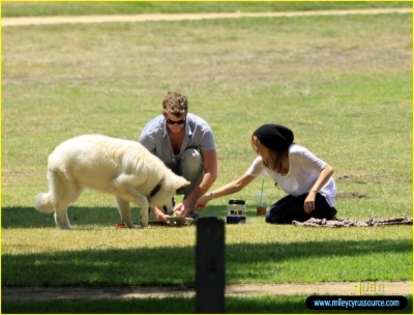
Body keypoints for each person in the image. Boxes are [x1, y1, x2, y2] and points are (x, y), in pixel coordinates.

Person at [196, 124, 337, 224]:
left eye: (260, 147)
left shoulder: (295, 153)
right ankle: (313, 215)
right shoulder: (263, 161)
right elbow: (239, 184)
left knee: (277, 216)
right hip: (301, 196)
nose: (257, 150)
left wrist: (313, 193)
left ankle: (326, 212)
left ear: (272, 146)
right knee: (271, 216)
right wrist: (208, 197)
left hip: (321, 195)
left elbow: (327, 169)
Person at [139, 92, 217, 223]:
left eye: (180, 122)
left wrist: (190, 200)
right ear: (164, 114)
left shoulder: (202, 129)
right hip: (160, 179)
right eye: (171, 122)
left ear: (186, 115)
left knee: (192, 156)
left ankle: (188, 210)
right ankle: (164, 206)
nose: (176, 126)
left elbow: (211, 171)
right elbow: (142, 174)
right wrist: (154, 208)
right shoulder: (149, 135)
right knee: (153, 167)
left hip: (188, 177)